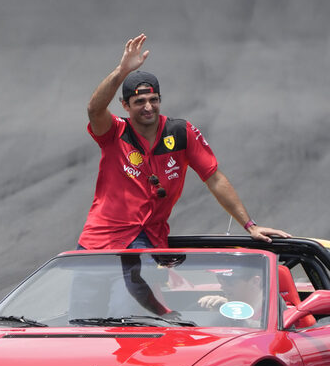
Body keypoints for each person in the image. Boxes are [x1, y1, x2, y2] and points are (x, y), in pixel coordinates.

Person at [78, 33, 290, 250]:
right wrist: (122, 71)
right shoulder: (114, 132)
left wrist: (250, 226)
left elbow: (214, 179)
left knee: (145, 283)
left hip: (147, 240)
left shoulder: (180, 133)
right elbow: (94, 109)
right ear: (125, 106)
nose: (148, 107)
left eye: (153, 100)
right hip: (99, 240)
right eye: (139, 101)